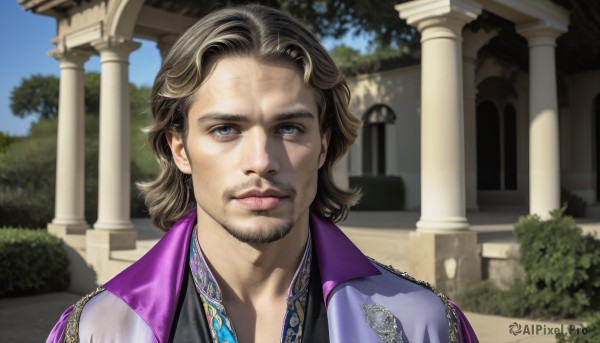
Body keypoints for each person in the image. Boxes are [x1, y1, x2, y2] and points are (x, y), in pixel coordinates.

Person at [47, 4, 478, 343]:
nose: (262, 159)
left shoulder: (425, 326)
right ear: (179, 149)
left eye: (289, 127)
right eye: (225, 129)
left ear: (324, 144)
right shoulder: (97, 331)